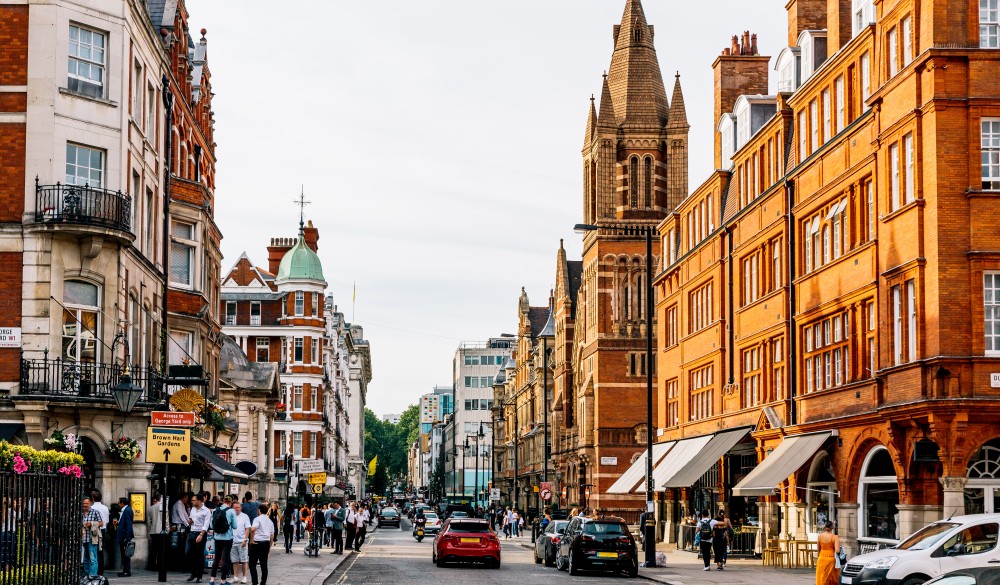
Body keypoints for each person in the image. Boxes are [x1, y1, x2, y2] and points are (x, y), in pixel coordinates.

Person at [209, 494, 236, 585]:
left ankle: (212, 580)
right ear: (230, 503)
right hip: (227, 538)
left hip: (217, 537)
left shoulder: (215, 510)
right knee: (225, 559)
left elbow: (212, 526)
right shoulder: (231, 511)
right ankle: (223, 581)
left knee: (216, 558)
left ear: (223, 501)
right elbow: (235, 526)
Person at [186, 493, 211, 583]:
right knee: (189, 553)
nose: (192, 502)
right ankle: (193, 572)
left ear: (199, 501)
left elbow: (206, 524)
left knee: (199, 554)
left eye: (194, 500)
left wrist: (201, 535)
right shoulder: (193, 509)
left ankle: (199, 575)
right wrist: (189, 521)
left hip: (200, 533)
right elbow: (191, 519)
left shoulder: (206, 511)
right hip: (192, 532)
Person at [248, 504, 274, 585]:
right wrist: (269, 545)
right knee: (264, 565)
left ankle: (255, 582)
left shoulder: (257, 519)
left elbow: (253, 529)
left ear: (259, 510)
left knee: (252, 564)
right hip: (266, 543)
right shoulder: (270, 521)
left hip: (257, 542)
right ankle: (263, 583)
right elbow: (272, 535)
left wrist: (251, 540)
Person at [230, 502, 251, 585]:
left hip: (242, 541)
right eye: (235, 507)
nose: (237, 509)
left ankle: (244, 577)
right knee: (234, 560)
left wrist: (245, 540)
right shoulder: (230, 516)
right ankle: (235, 576)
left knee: (244, 560)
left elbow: (247, 529)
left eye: (238, 507)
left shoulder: (245, 516)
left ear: (241, 508)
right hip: (232, 541)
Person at [90, 489, 110, 576]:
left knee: (94, 550)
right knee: (100, 550)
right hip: (103, 529)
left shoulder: (92, 508)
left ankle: (95, 569)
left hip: (94, 530)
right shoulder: (105, 508)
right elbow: (107, 521)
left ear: (93, 498)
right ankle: (101, 570)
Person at [82, 498, 103, 576]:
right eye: (83, 504)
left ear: (89, 504)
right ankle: (87, 574)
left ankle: (93, 575)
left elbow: (101, 523)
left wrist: (91, 523)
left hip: (92, 538)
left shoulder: (95, 512)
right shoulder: (81, 514)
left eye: (86, 504)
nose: (84, 506)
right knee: (86, 558)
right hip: (84, 538)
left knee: (93, 558)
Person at [816, 521, 842, 585]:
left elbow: (818, 549)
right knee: (832, 579)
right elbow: (837, 551)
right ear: (832, 527)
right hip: (831, 559)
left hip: (821, 559)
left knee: (822, 578)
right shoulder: (835, 537)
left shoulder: (820, 536)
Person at [116, 496, 135, 577]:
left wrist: (127, 537)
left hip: (125, 536)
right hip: (123, 535)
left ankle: (127, 571)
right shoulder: (126, 510)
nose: (118, 504)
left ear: (122, 503)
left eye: (119, 502)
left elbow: (128, 524)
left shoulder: (127, 510)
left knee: (125, 554)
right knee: (124, 554)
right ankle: (125, 570)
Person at [147, 495, 163, 572]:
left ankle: (152, 565)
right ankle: (160, 565)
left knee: (153, 549)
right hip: (161, 531)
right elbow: (166, 520)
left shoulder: (150, 508)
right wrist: (168, 529)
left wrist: (150, 529)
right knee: (161, 549)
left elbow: (149, 522)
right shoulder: (163, 507)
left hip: (153, 531)